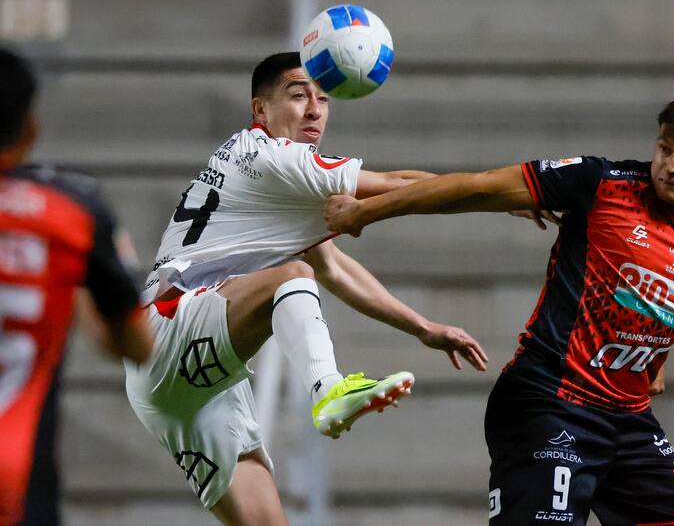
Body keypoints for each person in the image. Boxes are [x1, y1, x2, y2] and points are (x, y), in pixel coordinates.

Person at [325, 91, 674, 525]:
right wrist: (365, 212)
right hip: (551, 403)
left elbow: (671, 291)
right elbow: (477, 186)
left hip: (629, 418)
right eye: (663, 148)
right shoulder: (601, 182)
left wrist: (656, 357)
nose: (669, 165)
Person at [124, 51, 488, 525]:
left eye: (324, 98)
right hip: (171, 333)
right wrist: (497, 191)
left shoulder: (268, 171)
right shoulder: (274, 159)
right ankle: (327, 389)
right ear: (260, 110)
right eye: (298, 96)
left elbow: (336, 269)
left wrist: (423, 328)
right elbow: (398, 184)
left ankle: (328, 391)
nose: (314, 110)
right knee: (292, 277)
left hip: (186, 382)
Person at [0, 48, 153, 526]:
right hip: (18, 485)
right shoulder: (71, 213)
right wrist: (81, 279)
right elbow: (137, 345)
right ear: (30, 128)